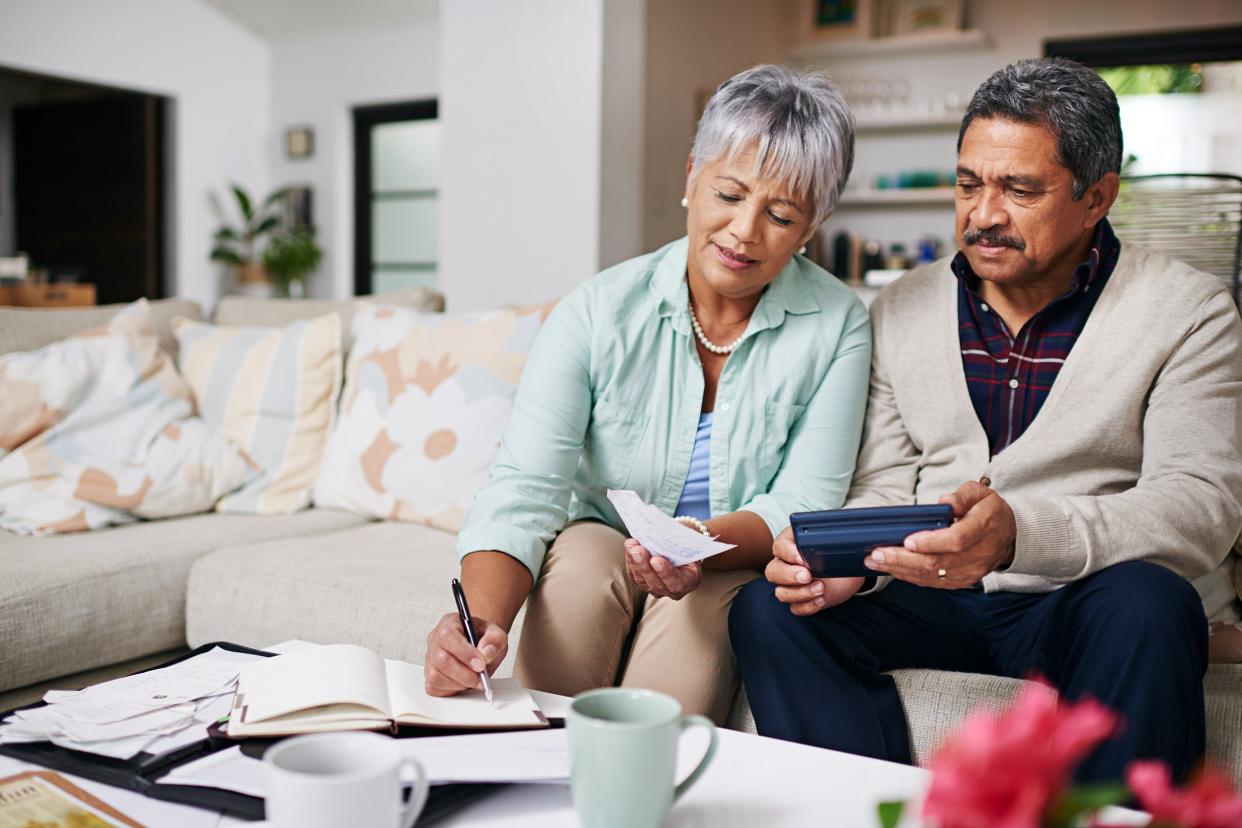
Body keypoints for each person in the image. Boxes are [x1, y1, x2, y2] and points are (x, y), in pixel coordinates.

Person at [730, 57, 1242, 781]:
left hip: (1075, 599)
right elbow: (884, 482)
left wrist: (1019, 538)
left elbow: (1200, 508)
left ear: (1097, 197)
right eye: (969, 183)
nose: (983, 214)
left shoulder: (1189, 312)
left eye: (1019, 189)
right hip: (930, 599)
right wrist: (850, 569)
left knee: (1149, 603)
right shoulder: (902, 307)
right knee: (768, 611)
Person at [422, 64, 870, 724]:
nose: (744, 231)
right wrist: (478, 622)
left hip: (724, 556)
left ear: (812, 226)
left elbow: (803, 501)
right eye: (728, 193)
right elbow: (527, 484)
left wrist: (694, 542)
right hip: (599, 539)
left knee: (675, 680)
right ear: (692, 174)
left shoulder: (839, 323)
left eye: (779, 214)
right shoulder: (597, 311)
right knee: (578, 574)